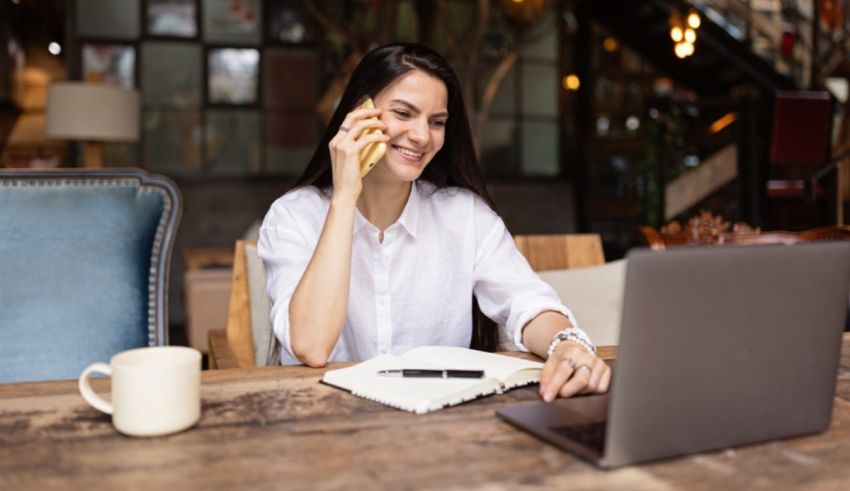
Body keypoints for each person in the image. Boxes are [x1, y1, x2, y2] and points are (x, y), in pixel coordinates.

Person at [258, 43, 610, 401]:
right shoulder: (293, 216)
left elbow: (526, 303)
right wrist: (345, 196)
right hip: (323, 430)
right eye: (403, 113)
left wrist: (565, 343)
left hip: (439, 431)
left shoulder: (464, 216)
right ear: (358, 114)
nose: (422, 136)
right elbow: (312, 346)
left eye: (436, 122)